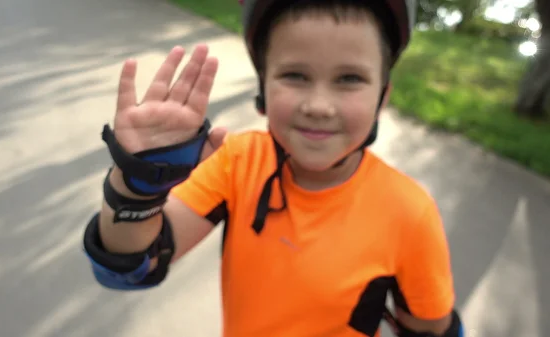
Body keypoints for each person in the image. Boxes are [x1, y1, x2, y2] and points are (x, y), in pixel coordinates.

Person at [82, 0, 465, 336]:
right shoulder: (237, 161)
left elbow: (429, 328)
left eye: (349, 79)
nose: (318, 105)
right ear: (263, 89)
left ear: (383, 96)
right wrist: (141, 182)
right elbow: (132, 265)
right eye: (295, 75)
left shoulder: (409, 212)